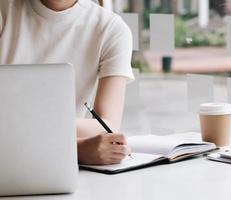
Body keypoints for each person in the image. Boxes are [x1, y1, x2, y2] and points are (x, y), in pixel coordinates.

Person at [0, 0, 133, 165]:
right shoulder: (4, 10)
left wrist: (18, 123)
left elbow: (108, 125)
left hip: (57, 166)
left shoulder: (111, 29)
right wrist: (76, 148)